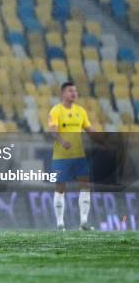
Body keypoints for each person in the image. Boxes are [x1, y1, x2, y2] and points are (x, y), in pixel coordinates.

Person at [49, 81, 95, 231]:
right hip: (61, 156)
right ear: (63, 94)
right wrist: (62, 142)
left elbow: (89, 129)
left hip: (79, 157)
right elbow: (53, 131)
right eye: (70, 91)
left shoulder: (81, 111)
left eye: (75, 91)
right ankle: (60, 223)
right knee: (60, 188)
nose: (74, 93)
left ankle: (83, 222)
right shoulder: (55, 111)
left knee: (85, 186)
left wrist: (105, 141)